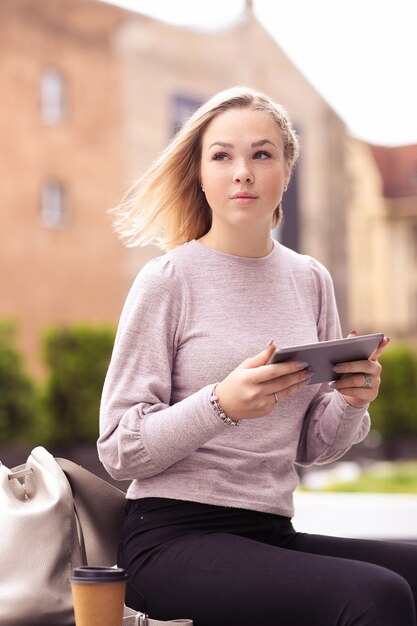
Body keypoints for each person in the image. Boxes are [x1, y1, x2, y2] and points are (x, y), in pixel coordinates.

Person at [98, 86, 417, 626]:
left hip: (269, 532)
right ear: (200, 173)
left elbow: (315, 446)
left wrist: (352, 401)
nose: (241, 171)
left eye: (261, 154)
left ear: (286, 170)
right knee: (374, 596)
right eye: (221, 156)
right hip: (170, 539)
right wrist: (220, 403)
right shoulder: (168, 280)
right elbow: (118, 450)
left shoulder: (310, 279)